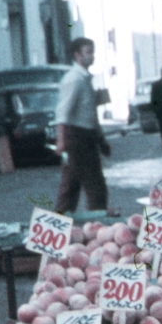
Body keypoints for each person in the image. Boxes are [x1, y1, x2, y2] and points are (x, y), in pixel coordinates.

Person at [54, 37, 109, 213]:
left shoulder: (85, 79)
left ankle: (57, 228)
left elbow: (91, 115)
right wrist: (61, 141)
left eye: (93, 52)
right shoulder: (74, 79)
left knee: (70, 188)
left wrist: (101, 139)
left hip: (87, 137)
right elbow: (62, 113)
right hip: (77, 138)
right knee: (96, 189)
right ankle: (98, 226)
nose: (92, 56)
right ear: (77, 55)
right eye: (88, 52)